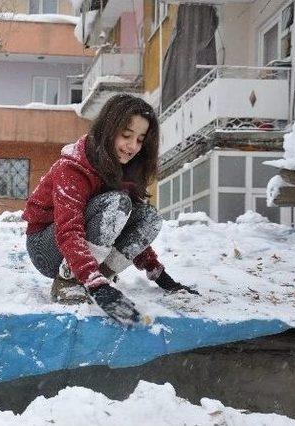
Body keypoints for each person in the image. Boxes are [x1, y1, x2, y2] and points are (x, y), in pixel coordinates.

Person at [22, 94, 198, 325]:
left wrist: (159, 274)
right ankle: (69, 280)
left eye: (139, 140)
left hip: (80, 247)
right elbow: (69, 230)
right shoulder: (72, 168)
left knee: (150, 218)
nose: (132, 147)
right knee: (117, 203)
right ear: (108, 129)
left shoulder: (123, 169)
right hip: (47, 246)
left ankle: (99, 274)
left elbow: (132, 227)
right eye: (126, 135)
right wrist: (94, 283)